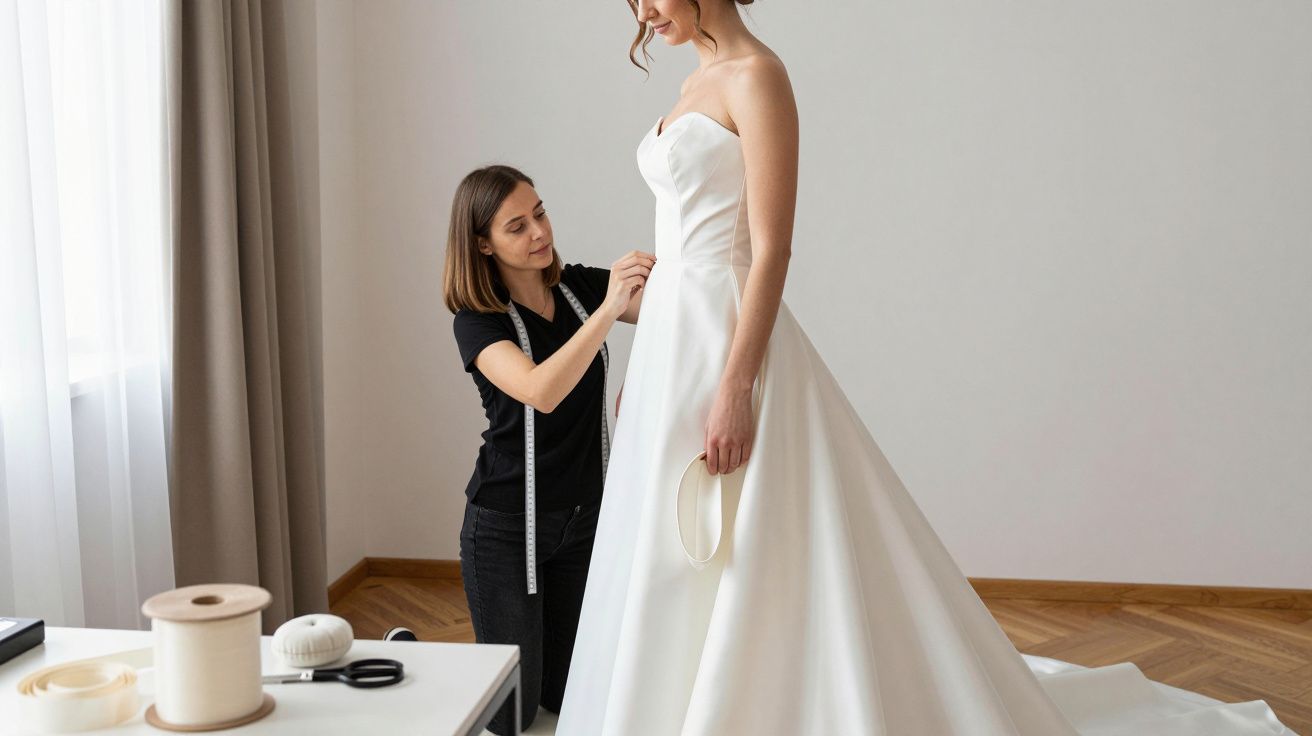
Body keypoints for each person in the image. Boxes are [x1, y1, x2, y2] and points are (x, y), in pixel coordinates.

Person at [554, 2, 1294, 735]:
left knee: (754, 540)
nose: (644, 11)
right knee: (671, 546)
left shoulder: (758, 76)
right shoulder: (692, 82)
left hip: (727, 336)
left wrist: (737, 387)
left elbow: (772, 247)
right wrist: (646, 367)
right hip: (672, 344)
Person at [442, 164, 655, 734]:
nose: (539, 233)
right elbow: (541, 391)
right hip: (506, 527)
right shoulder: (478, 322)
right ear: (483, 244)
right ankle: (419, 660)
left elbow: (674, 310)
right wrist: (611, 310)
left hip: (584, 519)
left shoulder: (580, 287)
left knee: (572, 695)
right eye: (516, 226)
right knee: (512, 715)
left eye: (540, 213)